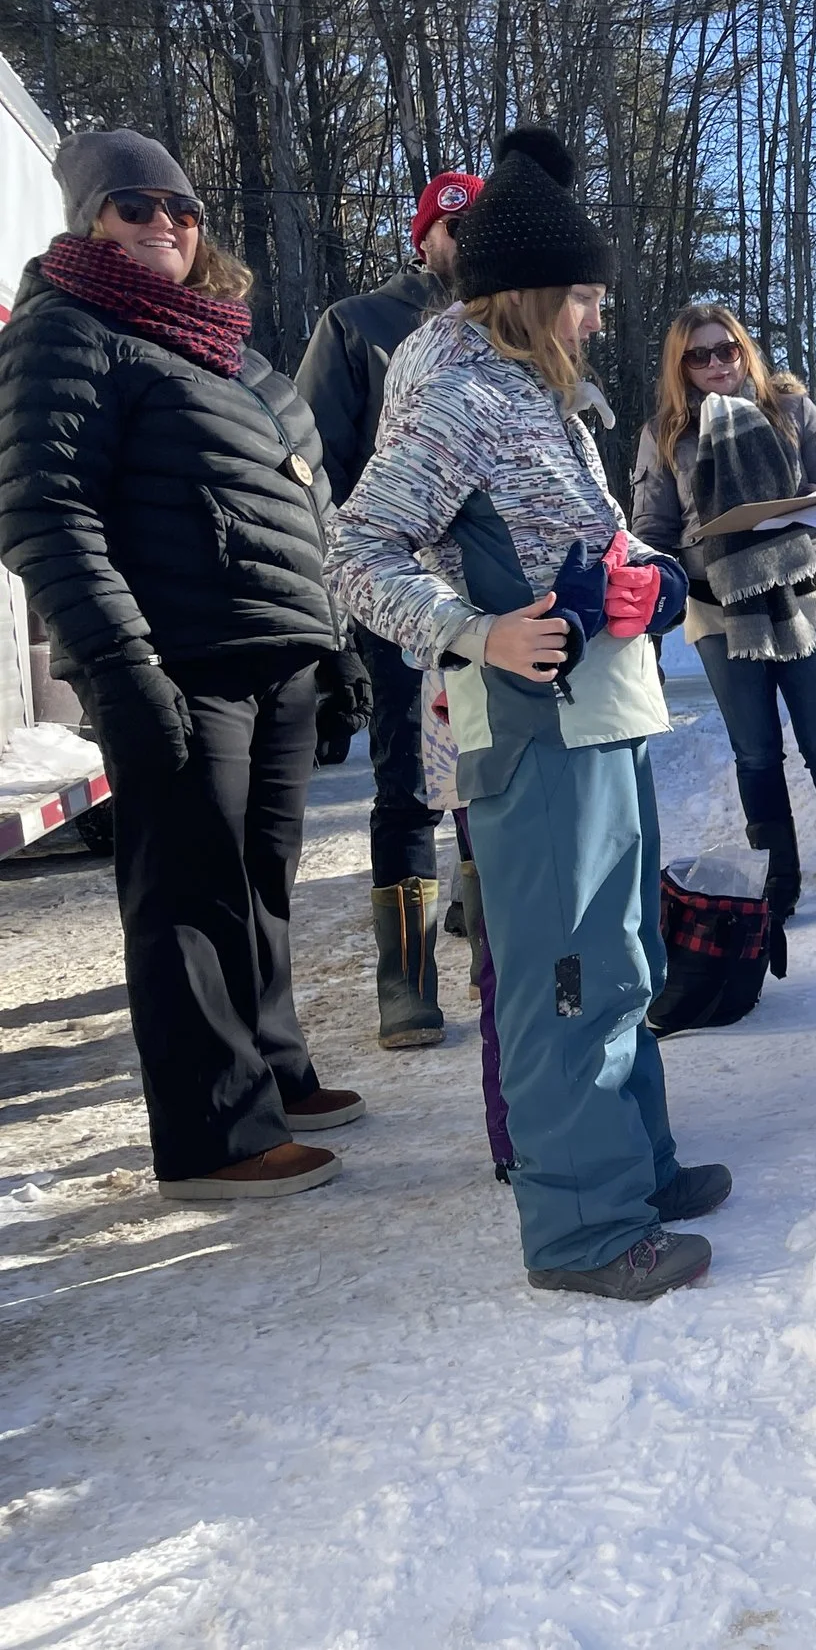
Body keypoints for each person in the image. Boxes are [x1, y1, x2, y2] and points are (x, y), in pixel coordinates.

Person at [326, 127, 723, 1301]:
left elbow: (584, 539)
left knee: (622, 954)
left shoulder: (543, 392)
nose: (601, 317)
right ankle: (585, 1230)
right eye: (589, 298)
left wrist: (646, 575)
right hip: (532, 722)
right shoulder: (454, 391)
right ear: (537, 294)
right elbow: (353, 552)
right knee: (563, 970)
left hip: (601, 706)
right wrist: (477, 632)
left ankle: (633, 1167)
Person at [0, 129, 366, 1199]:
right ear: (87, 221)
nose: (163, 223)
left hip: (278, 650)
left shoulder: (231, 348)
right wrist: (119, 663)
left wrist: (334, 647)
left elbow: (311, 503)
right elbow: (43, 510)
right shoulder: (67, 331)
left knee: (260, 881)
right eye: (134, 206)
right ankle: (217, 1137)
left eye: (181, 209)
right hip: (178, 656)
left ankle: (273, 1071)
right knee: (186, 890)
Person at [297, 167, 484, 1051]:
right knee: (407, 783)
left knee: (489, 775)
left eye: (479, 226)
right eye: (452, 226)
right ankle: (406, 983)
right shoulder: (356, 326)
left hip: (491, 605)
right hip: (397, 597)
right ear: (423, 239)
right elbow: (313, 469)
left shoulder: (510, 332)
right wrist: (347, 592)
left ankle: (498, 954)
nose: (464, 241)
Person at [629, 304, 816, 926]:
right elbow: (650, 530)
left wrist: (815, 508)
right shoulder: (665, 433)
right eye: (700, 354)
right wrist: (689, 556)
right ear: (680, 365)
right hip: (720, 614)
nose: (717, 364)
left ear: (744, 351)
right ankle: (778, 887)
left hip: (807, 598)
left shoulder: (791, 408)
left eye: (728, 350)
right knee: (757, 754)